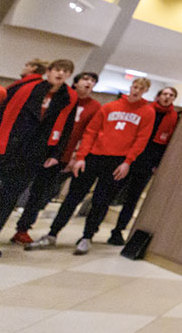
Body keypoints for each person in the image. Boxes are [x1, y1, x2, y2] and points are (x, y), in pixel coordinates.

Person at [27, 77, 154, 255]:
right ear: (130, 87)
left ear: (145, 91)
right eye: (135, 86)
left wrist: (128, 162)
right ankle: (53, 233)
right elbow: (91, 131)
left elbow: (142, 139)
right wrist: (81, 156)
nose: (136, 90)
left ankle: (87, 236)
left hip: (117, 162)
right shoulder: (110, 107)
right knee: (73, 197)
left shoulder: (147, 112)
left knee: (101, 201)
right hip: (93, 157)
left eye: (141, 88)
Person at [0, 59, 77, 259]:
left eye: (65, 71)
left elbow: (66, 129)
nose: (60, 74)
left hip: (34, 154)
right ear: (48, 71)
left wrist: (55, 155)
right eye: (57, 69)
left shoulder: (68, 98)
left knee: (9, 197)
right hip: (7, 147)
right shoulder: (27, 88)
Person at [9, 72, 101, 244]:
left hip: (62, 156)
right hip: (38, 149)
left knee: (40, 194)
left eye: (93, 81)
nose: (89, 83)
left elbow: (88, 134)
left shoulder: (95, 107)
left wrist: (75, 156)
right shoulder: (64, 97)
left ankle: (23, 229)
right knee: (15, 187)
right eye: (85, 79)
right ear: (76, 82)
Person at [109, 86, 178, 245]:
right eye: (165, 94)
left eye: (171, 95)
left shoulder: (174, 118)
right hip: (130, 158)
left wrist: (157, 164)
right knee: (112, 191)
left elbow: (167, 144)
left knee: (132, 199)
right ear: (158, 96)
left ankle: (118, 231)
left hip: (148, 162)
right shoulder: (145, 110)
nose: (167, 97)